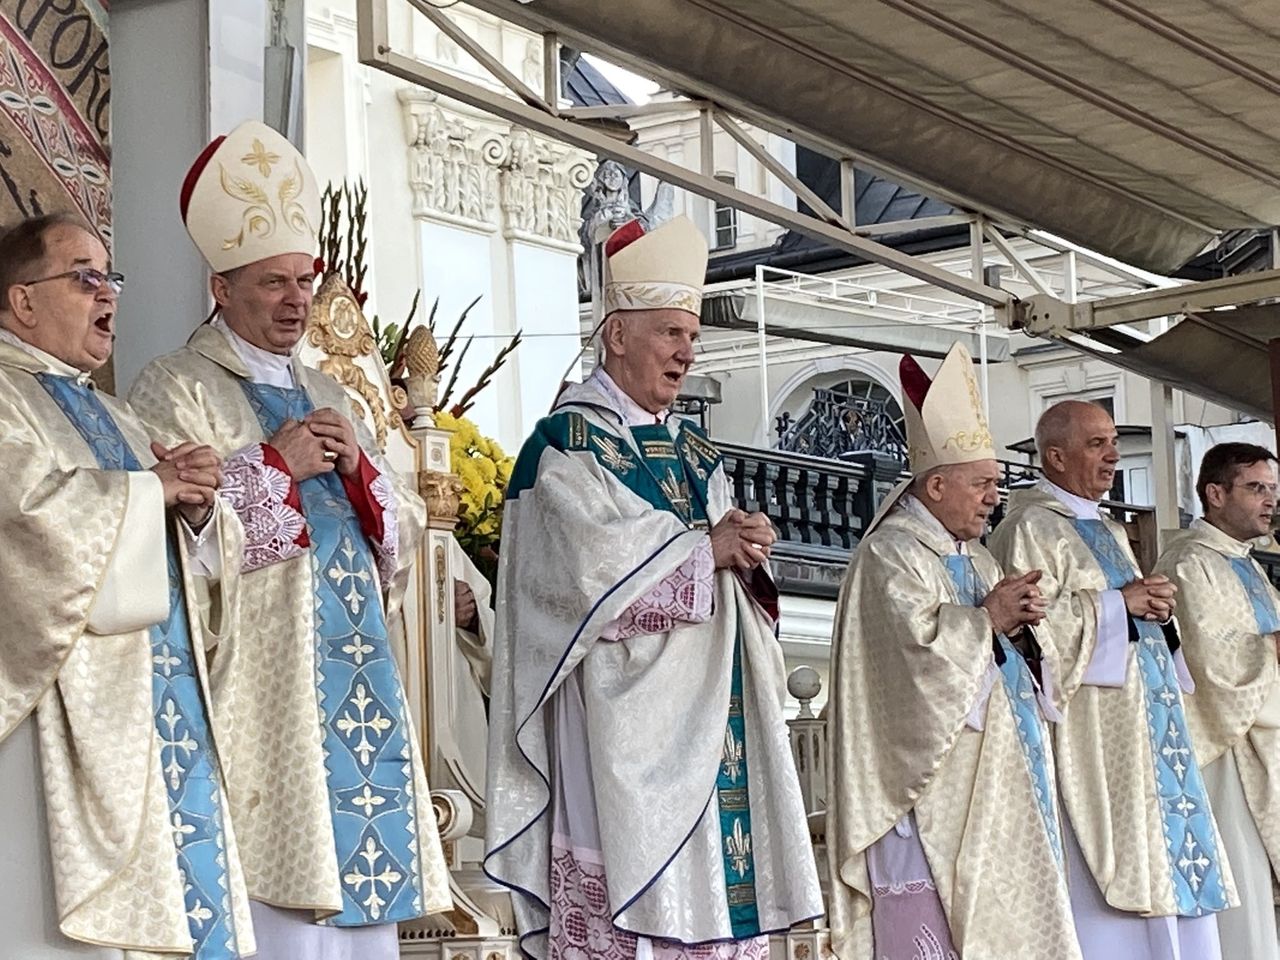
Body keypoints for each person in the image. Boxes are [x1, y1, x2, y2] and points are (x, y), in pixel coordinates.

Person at [127, 120, 451, 959]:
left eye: (304, 280)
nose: (296, 301)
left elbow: (408, 534)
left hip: (359, 685)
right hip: (261, 696)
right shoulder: (174, 385)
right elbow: (171, 541)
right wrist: (273, 467)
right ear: (220, 285)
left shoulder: (328, 388)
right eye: (273, 283)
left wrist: (366, 482)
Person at [485, 215, 823, 959]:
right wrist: (708, 551)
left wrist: (744, 550)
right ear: (617, 336)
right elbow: (578, 575)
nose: (686, 352)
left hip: (712, 713)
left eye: (691, 337)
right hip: (619, 728)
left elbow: (721, 564)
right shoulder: (564, 446)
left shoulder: (698, 452)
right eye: (671, 333)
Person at [0, 213, 255, 958]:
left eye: (111, 276)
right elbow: (26, 524)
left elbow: (195, 557)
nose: (108, 293)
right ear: (22, 302)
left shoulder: (116, 413)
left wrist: (203, 512)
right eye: (85, 276)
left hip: (155, 706)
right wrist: (148, 494)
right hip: (59, 717)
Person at [825, 343, 1080, 960]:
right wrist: (987, 620)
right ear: (936, 484)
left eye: (996, 482)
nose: (995, 496)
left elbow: (1015, 665)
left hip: (998, 787)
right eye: (983, 484)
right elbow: (910, 674)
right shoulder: (892, 556)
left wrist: (1024, 631)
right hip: (925, 798)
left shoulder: (979, 556)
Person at [988, 400, 1235, 960]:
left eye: (1113, 442)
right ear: (1055, 455)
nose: (1113, 454)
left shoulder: (1101, 525)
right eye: (1097, 443)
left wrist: (1155, 610)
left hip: (1144, 730)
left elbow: (1121, 614)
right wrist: (1119, 604)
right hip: (1093, 738)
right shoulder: (1028, 528)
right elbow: (1034, 631)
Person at [1154, 442, 1280, 959]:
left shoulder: (1248, 565)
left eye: (1273, 489)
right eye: (1256, 488)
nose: (1270, 501)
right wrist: (1272, 648)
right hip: (1224, 749)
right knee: (1242, 893)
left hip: (1265, 739)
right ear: (1215, 493)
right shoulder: (1188, 562)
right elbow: (1208, 665)